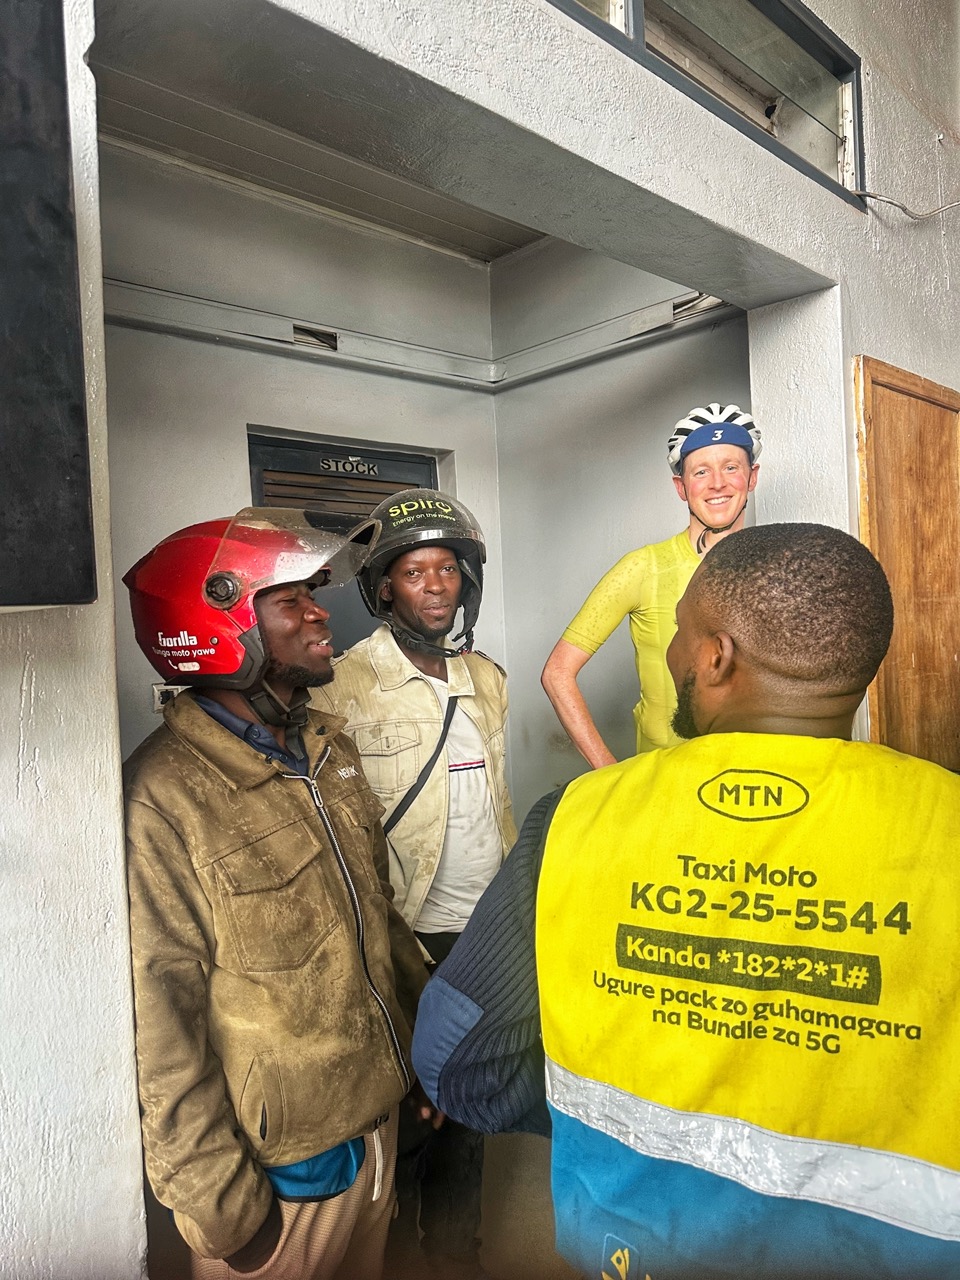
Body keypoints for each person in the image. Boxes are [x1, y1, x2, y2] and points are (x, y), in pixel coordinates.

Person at [413, 522, 960, 1279]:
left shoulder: (576, 817)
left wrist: (587, 1113)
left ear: (716, 656)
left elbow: (455, 1058)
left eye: (680, 632)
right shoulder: (945, 821)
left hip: (628, 1247)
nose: (671, 652)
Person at [122, 507, 435, 1280]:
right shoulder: (166, 795)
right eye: (291, 600)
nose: (319, 614)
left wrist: (423, 1054)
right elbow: (160, 1018)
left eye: (312, 596)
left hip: (377, 1122)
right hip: (287, 1172)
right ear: (219, 624)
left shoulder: (328, 746)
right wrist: (218, 1206)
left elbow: (379, 916)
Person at [311, 488, 516, 1280]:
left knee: (468, 1101)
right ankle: (394, 1256)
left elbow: (492, 802)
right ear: (385, 588)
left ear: (467, 580)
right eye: (414, 572)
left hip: (483, 928)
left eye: (447, 569)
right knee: (404, 1109)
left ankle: (455, 1255)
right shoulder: (343, 685)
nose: (434, 586)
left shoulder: (487, 679)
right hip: (403, 933)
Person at [541, 402, 761, 765]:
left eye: (731, 467)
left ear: (752, 478)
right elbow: (557, 672)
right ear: (681, 487)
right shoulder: (643, 567)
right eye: (701, 471)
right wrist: (609, 773)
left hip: (752, 773)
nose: (717, 483)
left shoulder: (773, 566)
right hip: (665, 777)